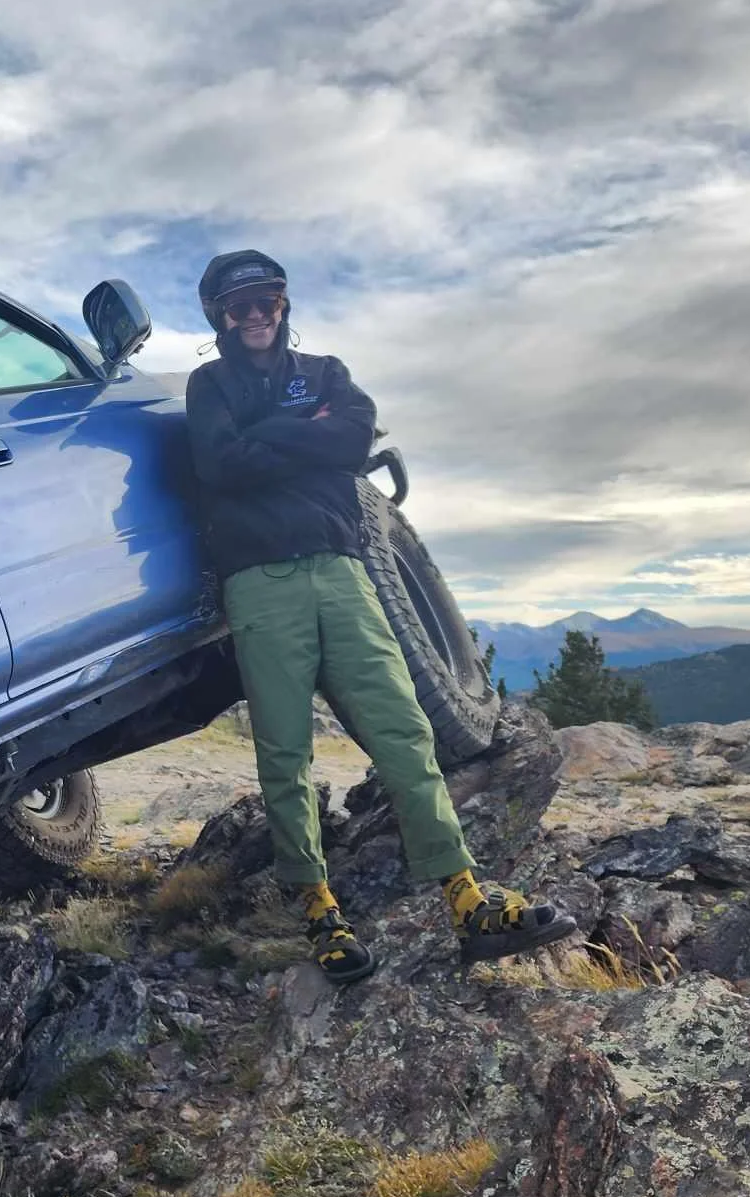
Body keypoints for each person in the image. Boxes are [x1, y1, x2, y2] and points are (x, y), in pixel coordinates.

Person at [184, 250, 576, 983]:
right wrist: (304, 443)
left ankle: (466, 899)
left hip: (343, 574)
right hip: (259, 585)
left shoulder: (327, 373)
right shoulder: (207, 386)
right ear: (219, 318)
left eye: (267, 300)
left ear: (283, 303)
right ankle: (319, 912)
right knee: (286, 754)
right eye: (238, 307)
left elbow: (350, 440)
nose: (256, 316)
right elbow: (218, 465)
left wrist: (266, 442)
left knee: (403, 729)